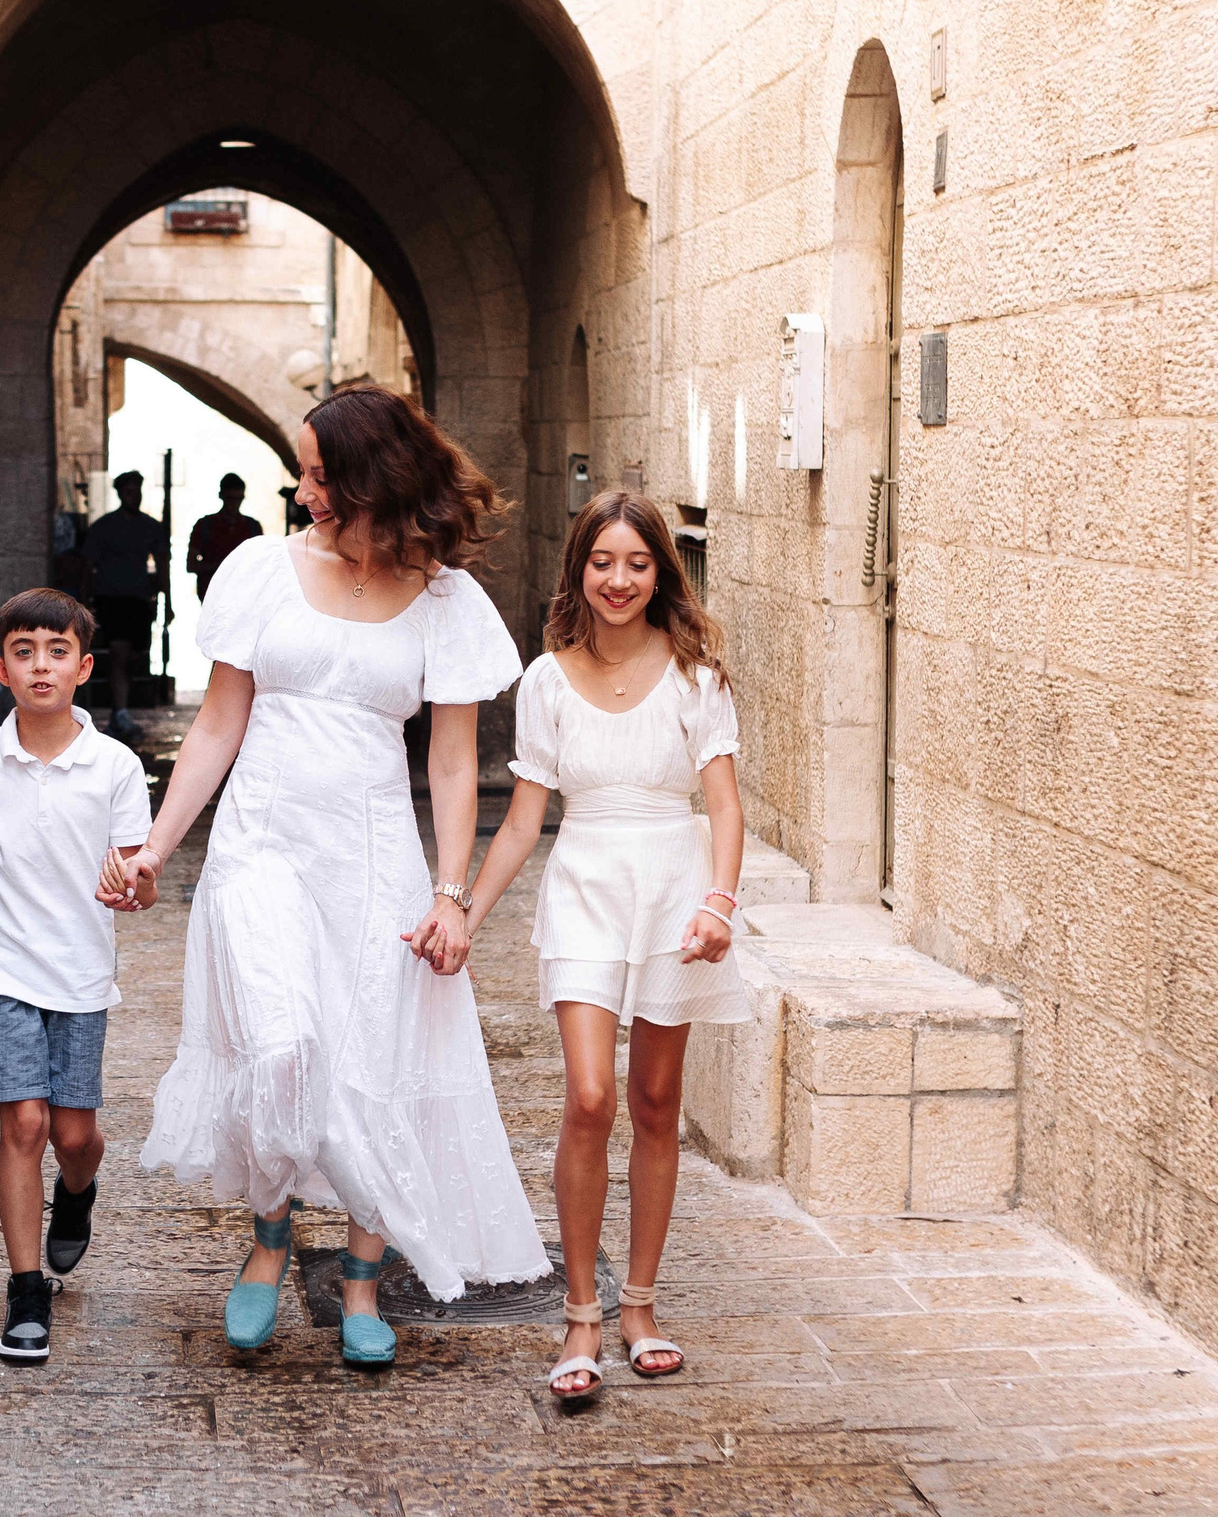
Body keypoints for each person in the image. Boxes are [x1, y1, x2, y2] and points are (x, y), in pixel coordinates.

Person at [101, 382, 549, 1368]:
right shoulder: (262, 568)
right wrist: (154, 845)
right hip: (260, 844)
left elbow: (447, 760)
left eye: (315, 471)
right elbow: (219, 722)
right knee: (282, 1045)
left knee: (373, 1062)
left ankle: (357, 1280)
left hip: (376, 858)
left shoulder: (444, 600)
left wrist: (450, 892)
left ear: (370, 477)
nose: (301, 488)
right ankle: (267, 1241)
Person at [466, 489, 749, 1397]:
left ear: (660, 569)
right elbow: (520, 824)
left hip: (674, 890)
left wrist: (718, 902)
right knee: (590, 1096)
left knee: (656, 1099)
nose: (619, 579)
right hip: (585, 888)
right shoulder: (547, 678)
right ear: (578, 569)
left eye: (637, 562)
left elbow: (726, 804)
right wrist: (463, 913)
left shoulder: (696, 674)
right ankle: (580, 1314)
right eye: (602, 561)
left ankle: (639, 1306)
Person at [0, 589, 155, 1363]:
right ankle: (24, 1289)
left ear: (83, 667)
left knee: (75, 1135)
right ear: (1, 669)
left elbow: (138, 879)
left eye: (55, 650)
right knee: (25, 1123)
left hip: (79, 968)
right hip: (0, 960)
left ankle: (75, 1192)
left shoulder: (114, 765)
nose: (39, 664)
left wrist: (132, 887)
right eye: (23, 650)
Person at [78, 470, 171, 739]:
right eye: (129, 491)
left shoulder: (150, 527)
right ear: (120, 494)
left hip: (140, 599)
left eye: (137, 491)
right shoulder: (104, 527)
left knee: (133, 657)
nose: (134, 496)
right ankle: (120, 711)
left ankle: (122, 708)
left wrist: (167, 601)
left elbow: (163, 564)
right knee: (118, 653)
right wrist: (84, 603)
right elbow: (86, 565)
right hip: (112, 598)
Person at [186, 473, 263, 597]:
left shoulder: (252, 526)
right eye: (231, 499)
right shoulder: (205, 525)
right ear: (221, 496)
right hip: (213, 597)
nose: (235, 504)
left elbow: (260, 565)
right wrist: (224, 566)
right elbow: (191, 565)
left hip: (243, 596)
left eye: (239, 499)